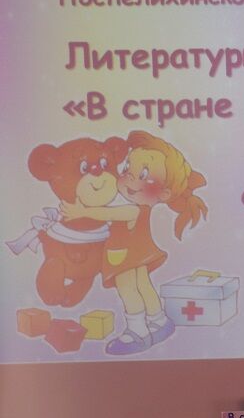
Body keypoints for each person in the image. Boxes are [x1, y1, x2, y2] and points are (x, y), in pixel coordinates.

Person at [60, 130, 207, 356]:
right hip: (138, 253)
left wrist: (82, 211)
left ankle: (138, 332)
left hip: (126, 256)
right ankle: (159, 321)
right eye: (127, 169)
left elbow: (109, 213)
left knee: (128, 289)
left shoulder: (134, 209)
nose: (129, 177)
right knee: (143, 285)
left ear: (165, 193)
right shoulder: (136, 203)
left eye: (144, 175)